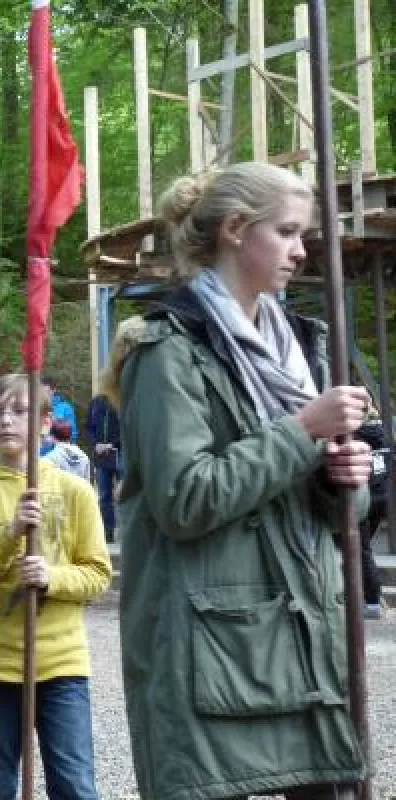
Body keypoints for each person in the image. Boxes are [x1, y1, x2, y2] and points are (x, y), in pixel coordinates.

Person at [116, 163, 371, 800]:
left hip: (309, 642)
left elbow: (326, 509)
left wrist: (348, 478)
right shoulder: (166, 348)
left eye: (304, 235)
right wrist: (303, 431)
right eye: (286, 232)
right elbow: (184, 499)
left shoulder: (305, 346)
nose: (302, 250)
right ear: (235, 229)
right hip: (210, 651)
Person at [0, 373, 111, 800]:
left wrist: (51, 577)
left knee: (74, 785)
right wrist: (10, 533)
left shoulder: (74, 491)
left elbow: (97, 574)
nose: (6, 421)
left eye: (19, 411)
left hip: (60, 665)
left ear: (42, 421)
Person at [354, 411, 389, 619]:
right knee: (364, 550)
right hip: (383, 497)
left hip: (365, 498)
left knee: (362, 550)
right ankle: (371, 596)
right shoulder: (383, 436)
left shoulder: (356, 436)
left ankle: (373, 600)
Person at [86, 392, 122, 542]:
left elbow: (128, 427)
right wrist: (96, 444)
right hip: (102, 455)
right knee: (104, 495)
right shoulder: (96, 402)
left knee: (125, 492)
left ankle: (129, 531)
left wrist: (112, 444)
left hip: (121, 452)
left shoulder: (123, 399)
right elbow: (89, 427)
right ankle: (108, 531)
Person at [42, 377, 78, 443]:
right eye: (41, 392)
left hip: (57, 450)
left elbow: (72, 434)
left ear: (53, 390)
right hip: (36, 451)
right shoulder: (34, 408)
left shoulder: (65, 408)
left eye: (47, 392)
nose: (44, 395)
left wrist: (55, 441)